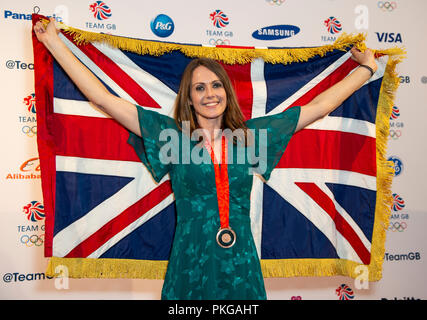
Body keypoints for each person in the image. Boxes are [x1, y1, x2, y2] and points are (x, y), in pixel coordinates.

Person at [34, 18, 378, 300]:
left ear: (226, 92)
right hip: (189, 261)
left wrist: (367, 69)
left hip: (241, 262)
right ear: (190, 96)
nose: (209, 94)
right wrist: (54, 43)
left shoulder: (251, 138)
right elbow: (102, 98)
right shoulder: (171, 136)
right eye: (200, 88)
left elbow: (317, 108)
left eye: (216, 86)